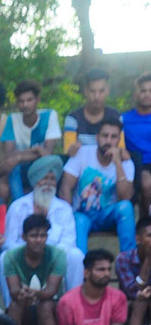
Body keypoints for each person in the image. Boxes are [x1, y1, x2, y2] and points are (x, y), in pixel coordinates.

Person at [2, 155, 83, 298]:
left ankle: (73, 302)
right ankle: (11, 304)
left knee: (76, 256)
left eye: (52, 179)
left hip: (54, 257)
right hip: (25, 256)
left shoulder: (64, 208)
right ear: (35, 181)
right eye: (44, 178)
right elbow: (9, 242)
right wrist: (30, 251)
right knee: (4, 257)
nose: (48, 183)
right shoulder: (17, 207)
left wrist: (47, 253)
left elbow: (68, 242)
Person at [60, 120, 135, 255]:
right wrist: (67, 216)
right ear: (97, 137)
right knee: (79, 221)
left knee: (126, 207)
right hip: (82, 214)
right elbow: (65, 187)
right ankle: (80, 264)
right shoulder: (82, 153)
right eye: (105, 136)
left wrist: (118, 163)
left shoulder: (126, 162)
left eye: (113, 137)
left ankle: (128, 260)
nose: (108, 141)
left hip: (108, 215)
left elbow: (125, 197)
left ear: (119, 140)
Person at [2, 214, 65, 325]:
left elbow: (51, 291)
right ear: (24, 237)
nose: (38, 240)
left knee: (45, 306)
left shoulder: (58, 255)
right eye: (33, 236)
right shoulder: (11, 256)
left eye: (43, 236)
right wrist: (21, 292)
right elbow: (13, 291)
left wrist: (34, 293)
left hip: (51, 304)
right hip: (24, 302)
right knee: (15, 305)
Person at [1, 80, 61, 202]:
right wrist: (37, 150)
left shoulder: (49, 116)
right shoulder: (12, 119)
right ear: (17, 103)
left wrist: (19, 156)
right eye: (21, 101)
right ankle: (19, 205)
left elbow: (47, 154)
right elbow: (9, 155)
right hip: (21, 169)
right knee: (13, 166)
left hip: (41, 167)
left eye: (29, 100)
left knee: (52, 161)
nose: (25, 105)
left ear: (37, 100)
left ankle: (47, 204)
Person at [62, 68, 124, 155]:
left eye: (101, 91)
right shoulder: (73, 119)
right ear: (86, 91)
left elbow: (120, 150)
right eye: (92, 91)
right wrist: (72, 149)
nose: (96, 96)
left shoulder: (116, 117)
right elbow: (68, 152)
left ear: (107, 91)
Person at [115, 215, 151, 325]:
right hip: (130, 305)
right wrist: (148, 260)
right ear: (138, 239)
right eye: (150, 236)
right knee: (141, 301)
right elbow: (133, 291)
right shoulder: (123, 259)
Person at [123, 73, 151, 214]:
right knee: (146, 184)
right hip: (138, 163)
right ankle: (145, 220)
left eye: (150, 91)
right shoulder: (124, 119)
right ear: (135, 95)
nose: (147, 95)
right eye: (143, 91)